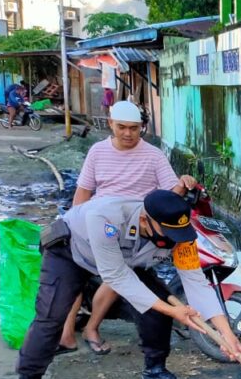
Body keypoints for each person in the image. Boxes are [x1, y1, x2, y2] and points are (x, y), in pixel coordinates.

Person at [13, 190, 241, 379]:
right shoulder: (106, 218)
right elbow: (115, 276)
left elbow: (195, 282)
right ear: (145, 220)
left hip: (128, 261)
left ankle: (155, 372)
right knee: (51, 319)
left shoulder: (181, 235)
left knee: (157, 308)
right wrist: (173, 311)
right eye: (168, 233)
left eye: (179, 234)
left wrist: (226, 334)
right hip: (72, 253)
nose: (175, 239)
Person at [58, 100, 195, 355]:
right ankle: (66, 334)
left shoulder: (153, 155)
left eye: (134, 128)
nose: (128, 133)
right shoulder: (98, 152)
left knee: (119, 274)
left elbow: (170, 193)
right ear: (110, 123)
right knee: (72, 269)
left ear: (141, 127)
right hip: (98, 221)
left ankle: (91, 328)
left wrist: (183, 184)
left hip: (134, 229)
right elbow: (83, 192)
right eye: (122, 127)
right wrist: (73, 224)